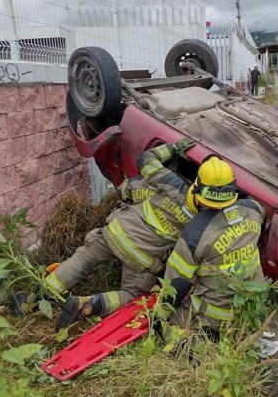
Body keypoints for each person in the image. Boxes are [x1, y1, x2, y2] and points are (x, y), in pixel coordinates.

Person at [46, 139, 198, 330]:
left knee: (82, 260)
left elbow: (128, 186)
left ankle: (41, 294)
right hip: (141, 257)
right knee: (131, 294)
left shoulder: (168, 184)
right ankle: (90, 303)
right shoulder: (202, 220)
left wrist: (173, 148)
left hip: (115, 233)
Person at [152, 156, 266, 341]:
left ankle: (194, 346)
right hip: (253, 308)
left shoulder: (195, 232)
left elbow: (177, 285)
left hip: (214, 318)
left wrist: (159, 315)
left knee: (168, 323)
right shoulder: (254, 210)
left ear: (199, 191)